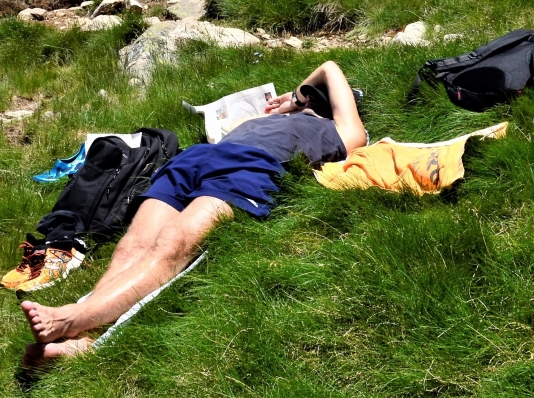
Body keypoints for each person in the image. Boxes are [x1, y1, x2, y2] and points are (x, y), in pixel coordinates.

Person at [22, 60, 366, 364]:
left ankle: (75, 324)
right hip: (198, 158)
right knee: (131, 246)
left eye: (315, 96)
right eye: (307, 95)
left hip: (251, 168)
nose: (308, 98)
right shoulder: (271, 118)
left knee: (174, 242)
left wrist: (297, 95)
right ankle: (81, 336)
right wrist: (292, 102)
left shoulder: (341, 132)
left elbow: (330, 66)